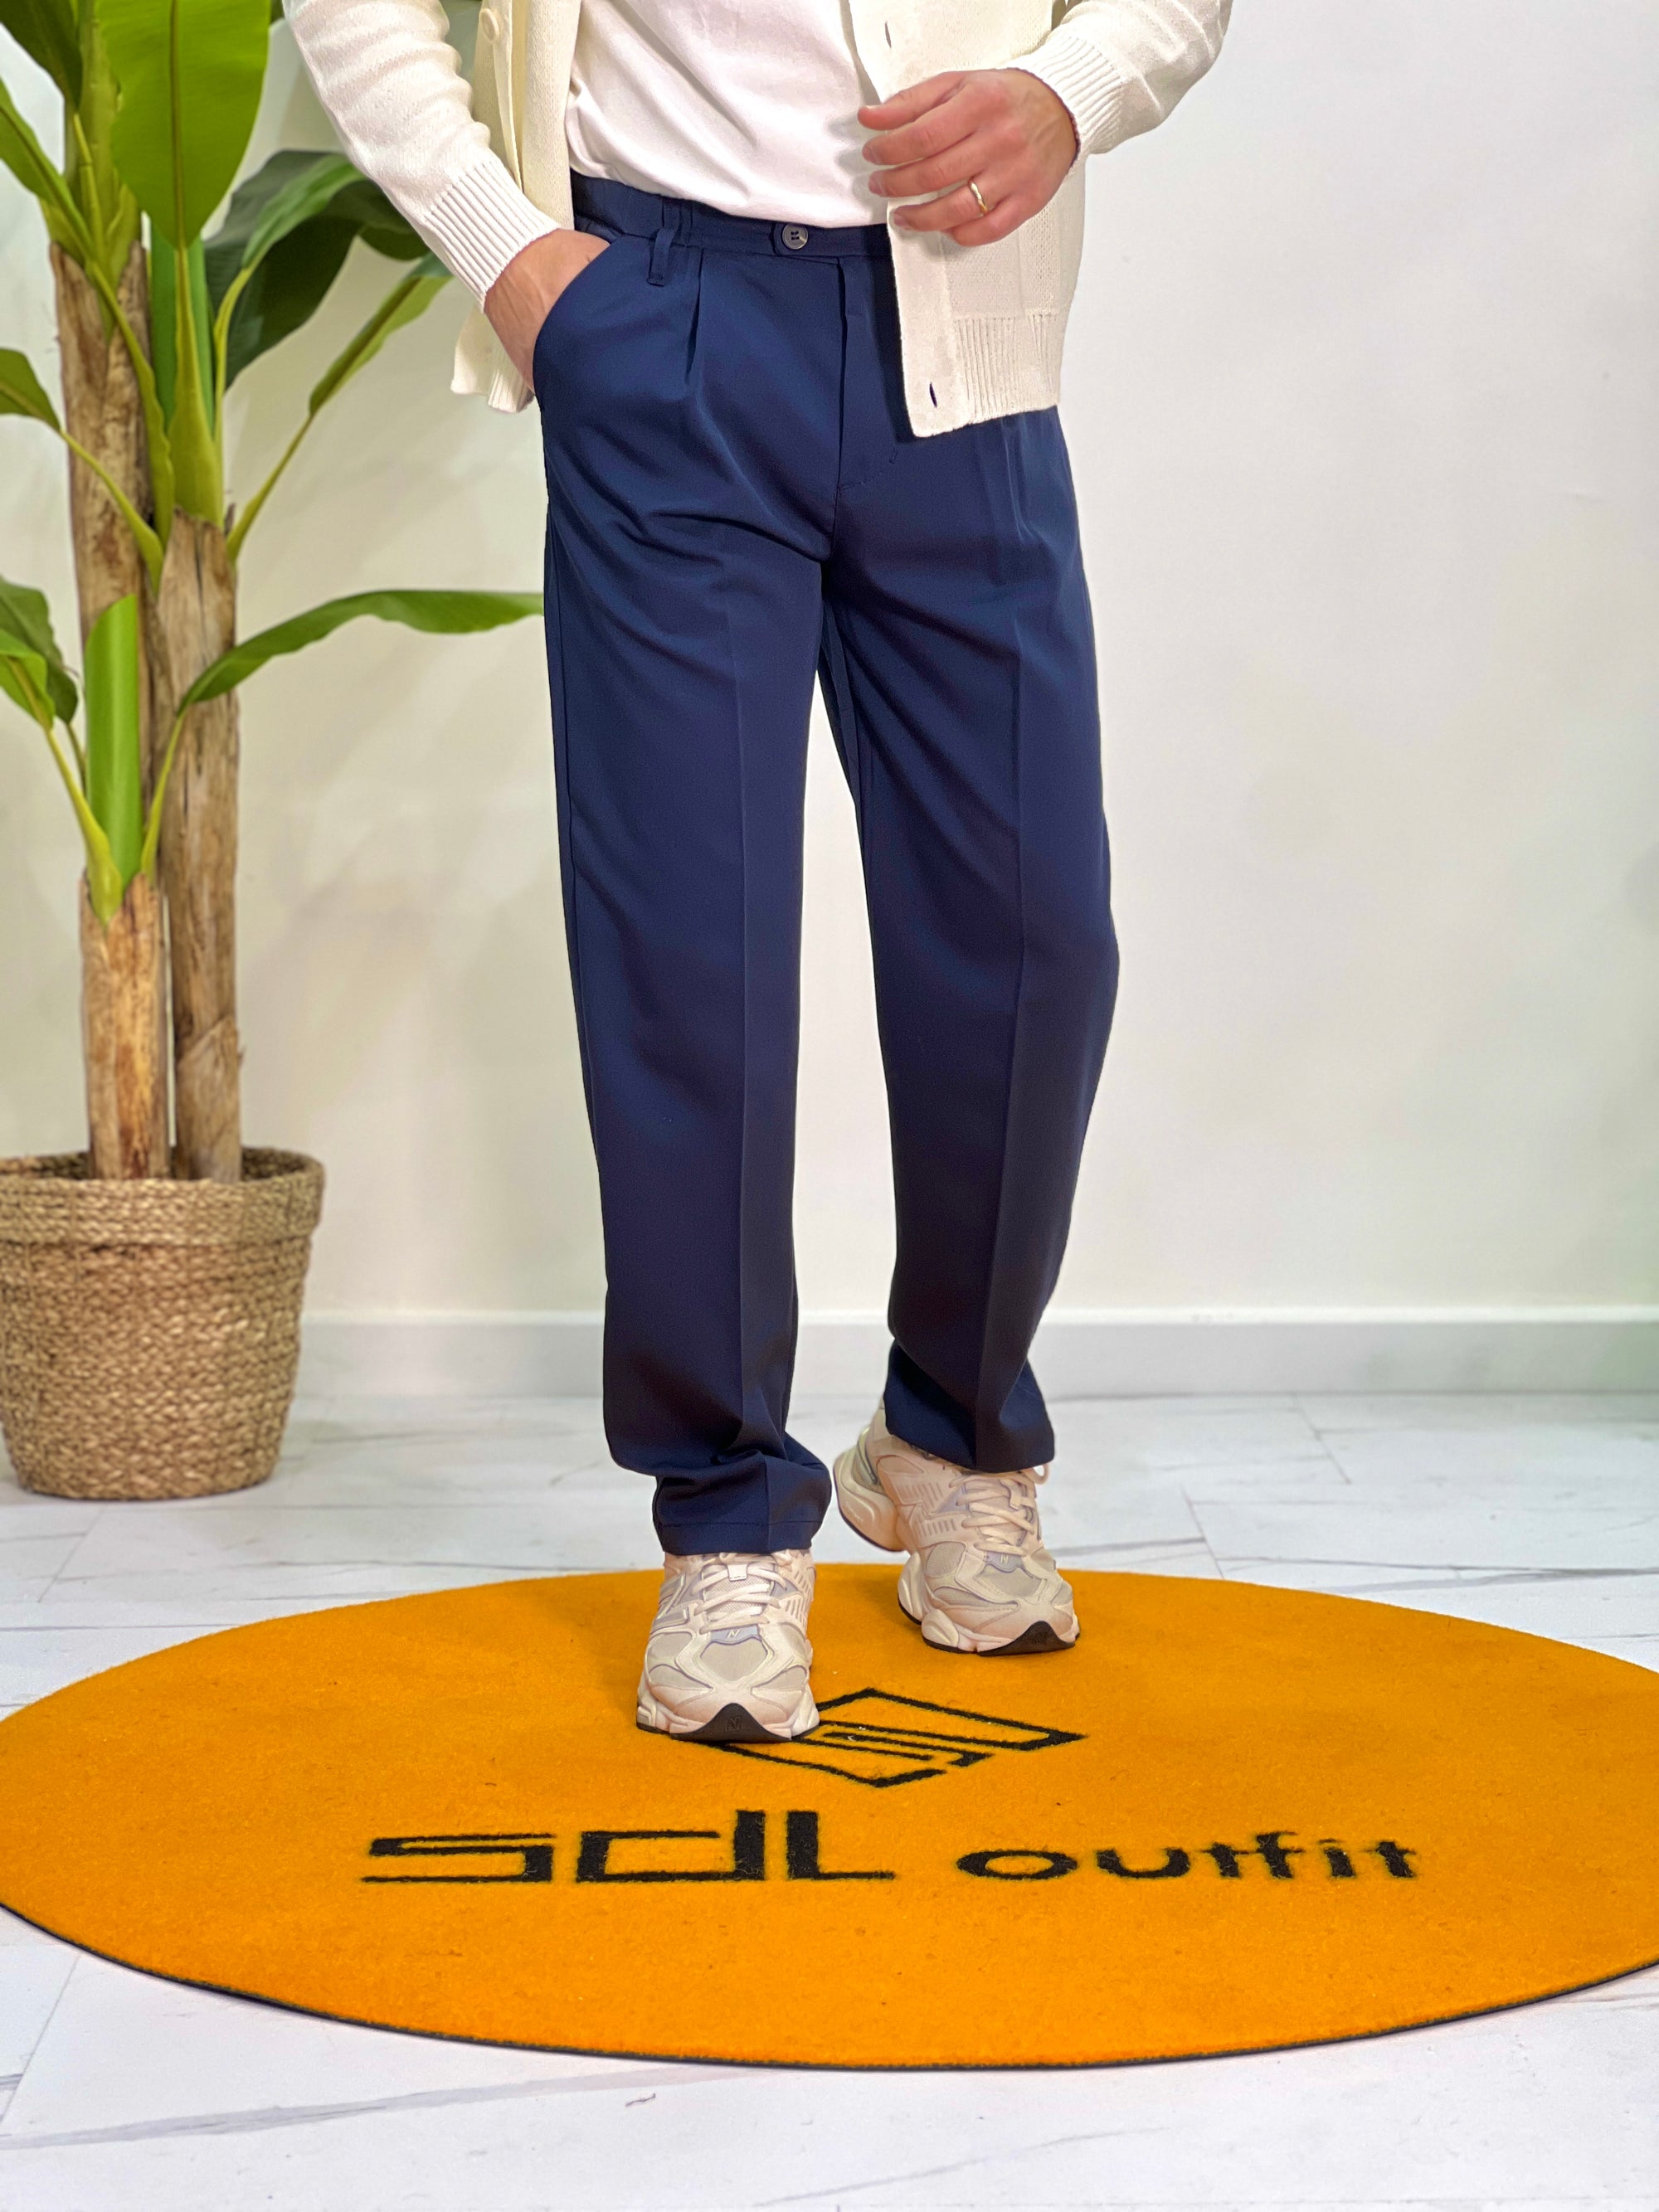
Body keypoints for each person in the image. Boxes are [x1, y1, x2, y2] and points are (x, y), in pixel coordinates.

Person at [285, 0, 1231, 1743]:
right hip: (658, 318)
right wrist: (511, 255)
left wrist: (1070, 88)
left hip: (961, 329)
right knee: (690, 953)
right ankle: (725, 1515)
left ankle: (952, 1437)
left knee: (1033, 940)